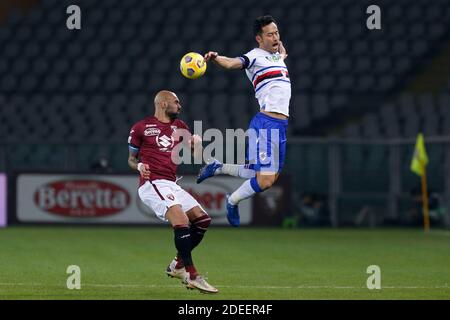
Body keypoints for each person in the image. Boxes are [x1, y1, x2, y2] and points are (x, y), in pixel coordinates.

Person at [197, 15, 291, 227]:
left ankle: (217, 167)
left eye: (277, 33)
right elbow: (233, 63)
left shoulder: (277, 56)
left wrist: (281, 52)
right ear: (259, 39)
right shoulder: (255, 56)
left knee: (266, 176)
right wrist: (216, 57)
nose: (275, 37)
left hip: (281, 126)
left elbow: (281, 54)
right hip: (266, 123)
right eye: (270, 34)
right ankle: (231, 201)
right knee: (264, 180)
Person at [127, 90, 218, 293]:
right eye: (176, 102)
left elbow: (196, 155)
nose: (180, 106)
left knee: (203, 220)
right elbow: (131, 160)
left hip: (171, 183)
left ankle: (177, 265)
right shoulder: (141, 127)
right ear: (163, 104)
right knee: (181, 221)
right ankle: (193, 275)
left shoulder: (180, 126)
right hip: (152, 183)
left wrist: (197, 145)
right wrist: (139, 166)